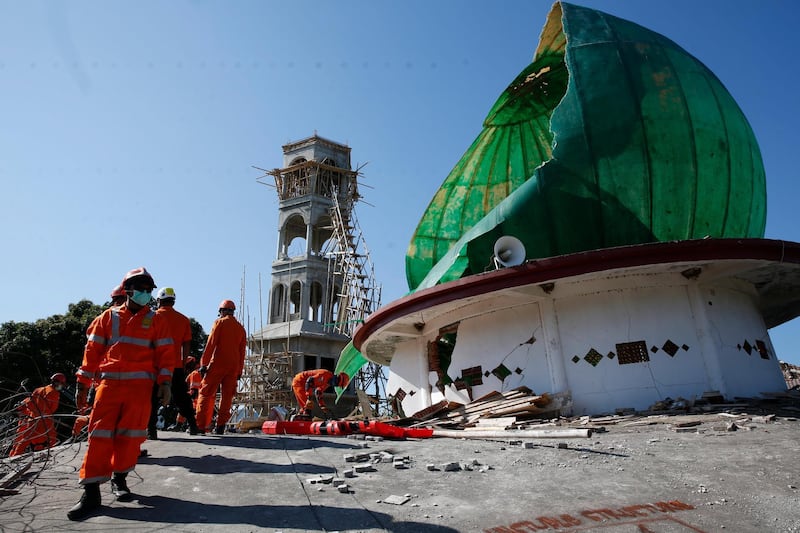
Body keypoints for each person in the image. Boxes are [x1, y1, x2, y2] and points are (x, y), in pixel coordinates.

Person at [67, 267, 174, 521]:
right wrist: (82, 383)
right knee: (99, 436)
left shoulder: (157, 320)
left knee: (130, 438)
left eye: (149, 290)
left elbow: (165, 355)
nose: (146, 294)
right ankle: (91, 493)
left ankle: (120, 480)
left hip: (139, 391)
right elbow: (91, 352)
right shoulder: (108, 317)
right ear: (128, 290)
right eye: (142, 289)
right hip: (109, 388)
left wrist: (166, 383)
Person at [147, 287, 200, 437]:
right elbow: (187, 344)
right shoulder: (183, 319)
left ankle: (151, 431)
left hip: (155, 366)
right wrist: (183, 364)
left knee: (151, 398)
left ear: (159, 300)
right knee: (182, 397)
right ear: (173, 301)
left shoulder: (152, 317)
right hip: (175, 366)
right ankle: (193, 426)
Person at [195, 299, 246, 435]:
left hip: (217, 364)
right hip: (233, 367)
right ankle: (220, 427)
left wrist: (204, 364)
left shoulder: (219, 323)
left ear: (221, 311)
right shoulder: (241, 328)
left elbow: (211, 344)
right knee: (227, 397)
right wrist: (239, 370)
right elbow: (242, 352)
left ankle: (200, 426)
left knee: (205, 394)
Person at [9, 373, 66, 456]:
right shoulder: (54, 393)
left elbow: (30, 401)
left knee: (26, 439)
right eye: (62, 384)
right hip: (45, 420)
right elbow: (53, 408)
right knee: (51, 438)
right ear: (57, 382)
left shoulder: (38, 390)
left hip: (33, 418)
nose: (61, 386)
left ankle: (14, 456)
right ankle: (48, 456)